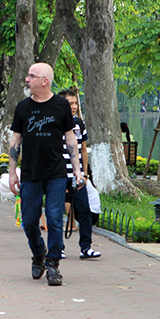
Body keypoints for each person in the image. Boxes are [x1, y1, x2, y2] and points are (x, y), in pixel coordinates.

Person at [8, 63, 84, 286]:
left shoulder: (61, 106)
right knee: (29, 221)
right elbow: (15, 140)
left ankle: (53, 265)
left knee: (54, 218)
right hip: (31, 174)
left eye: (31, 76)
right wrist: (12, 172)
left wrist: (78, 170)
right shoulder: (23, 107)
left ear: (45, 81)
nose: (27, 79)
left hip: (56, 174)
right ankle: (38, 253)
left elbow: (71, 139)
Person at [58, 89, 101, 260]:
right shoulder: (55, 123)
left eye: (75, 103)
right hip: (59, 176)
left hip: (78, 177)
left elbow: (83, 149)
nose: (74, 106)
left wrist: (84, 174)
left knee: (84, 210)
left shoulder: (79, 124)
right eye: (70, 103)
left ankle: (86, 247)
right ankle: (57, 247)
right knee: (55, 213)